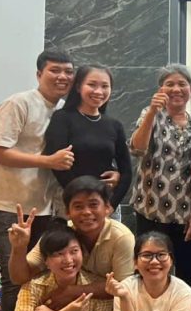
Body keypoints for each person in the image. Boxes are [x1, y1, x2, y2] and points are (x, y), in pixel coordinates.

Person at [0, 49, 74, 311]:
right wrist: (47, 161)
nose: (62, 77)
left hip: (45, 209)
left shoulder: (63, 113)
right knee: (14, 279)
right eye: (55, 70)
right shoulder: (19, 103)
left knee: (39, 281)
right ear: (39, 74)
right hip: (7, 206)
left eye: (68, 72)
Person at [8, 176, 135, 310]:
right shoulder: (58, 234)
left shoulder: (121, 237)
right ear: (67, 212)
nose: (86, 212)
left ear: (107, 208)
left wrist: (73, 292)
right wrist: (19, 248)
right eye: (78, 206)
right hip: (60, 307)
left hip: (109, 309)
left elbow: (124, 287)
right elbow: (19, 278)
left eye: (93, 205)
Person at [129, 64, 191, 284]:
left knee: (188, 273)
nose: (176, 89)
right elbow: (137, 148)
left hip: (185, 213)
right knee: (149, 270)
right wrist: (152, 111)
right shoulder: (150, 115)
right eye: (169, 84)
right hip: (151, 209)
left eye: (182, 84)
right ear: (160, 90)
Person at [43, 64, 132, 208]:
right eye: (92, 85)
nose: (99, 91)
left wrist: (111, 205)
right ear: (78, 87)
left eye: (105, 86)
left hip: (106, 203)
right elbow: (59, 167)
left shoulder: (114, 125)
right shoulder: (63, 118)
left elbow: (126, 171)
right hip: (73, 203)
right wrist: (84, 200)